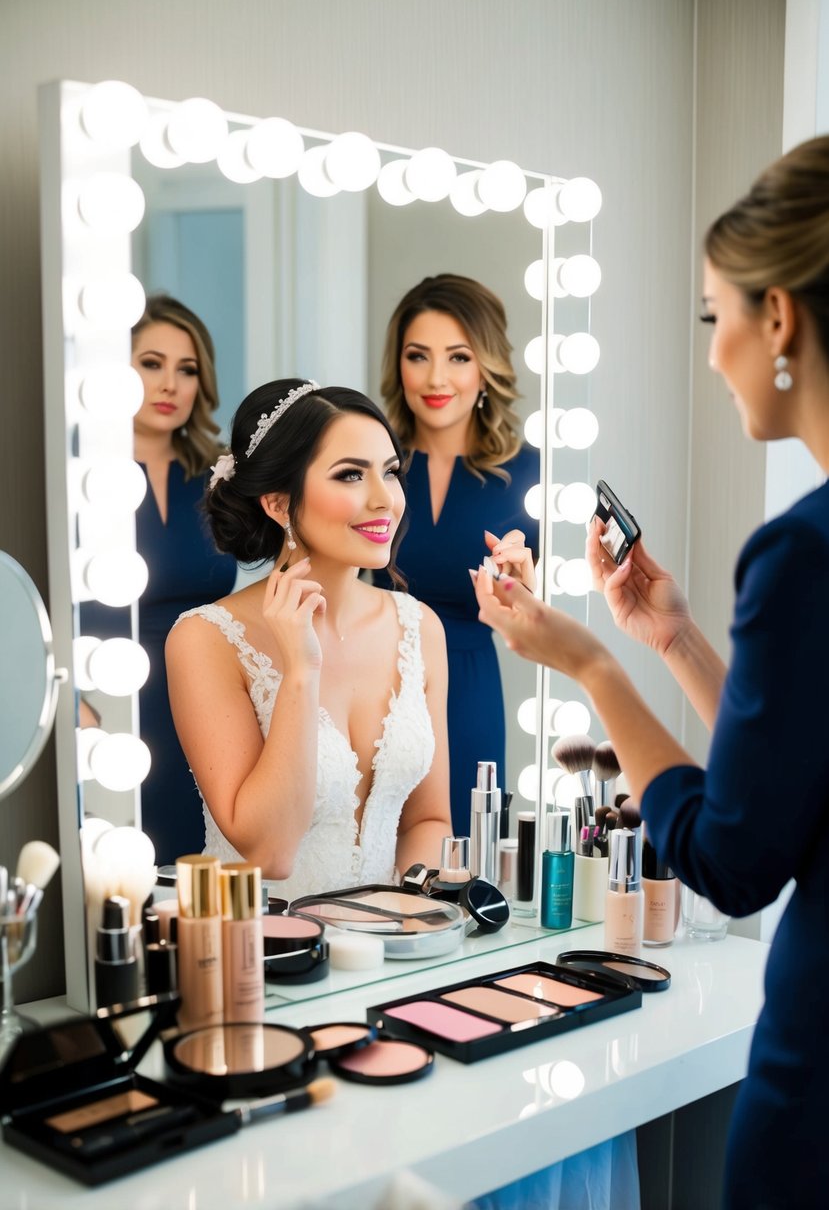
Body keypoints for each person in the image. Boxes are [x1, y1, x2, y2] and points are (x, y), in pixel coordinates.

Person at [473, 135, 829, 1209]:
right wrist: (671, 636)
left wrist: (590, 663)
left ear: (778, 317)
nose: (713, 353)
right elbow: (798, 774)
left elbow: (733, 853)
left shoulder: (803, 553)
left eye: (712, 315)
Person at [165, 379, 451, 898]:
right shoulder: (206, 639)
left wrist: (410, 917)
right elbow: (269, 854)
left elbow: (427, 819)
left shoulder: (419, 627)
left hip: (393, 957)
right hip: (266, 956)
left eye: (390, 472)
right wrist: (300, 672)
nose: (384, 499)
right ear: (277, 503)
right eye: (349, 475)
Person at [377, 274, 539, 836]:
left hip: (468, 690)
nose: (437, 378)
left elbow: (533, 627)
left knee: (463, 860)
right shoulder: (371, 464)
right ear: (398, 366)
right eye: (418, 356)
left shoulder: (532, 475)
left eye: (459, 356)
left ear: (485, 367)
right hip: (374, 684)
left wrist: (522, 594)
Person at [83, 295, 237, 865]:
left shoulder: (221, 478)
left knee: (204, 871)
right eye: (151, 363)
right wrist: (74, 698)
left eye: (187, 369)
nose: (169, 383)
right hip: (108, 710)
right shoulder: (81, 478)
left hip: (210, 703)